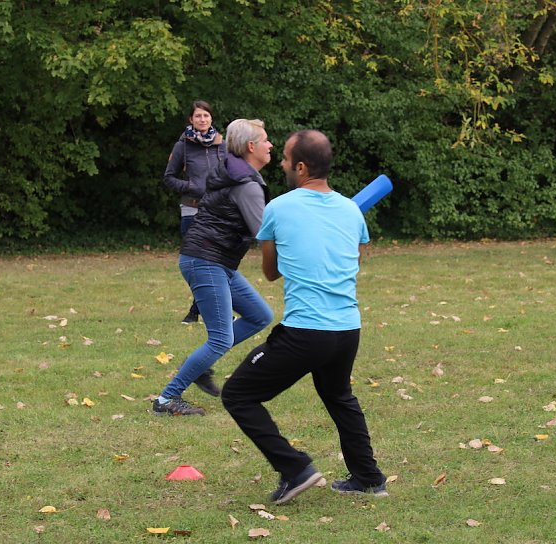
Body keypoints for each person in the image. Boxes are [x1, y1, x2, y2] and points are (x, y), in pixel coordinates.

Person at [221, 130, 388, 504]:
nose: (280, 163)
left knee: (238, 394)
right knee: (338, 395)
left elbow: (270, 272)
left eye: (283, 158)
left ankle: (295, 469)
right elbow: (354, 260)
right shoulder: (351, 210)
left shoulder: (279, 208)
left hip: (305, 332)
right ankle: (369, 478)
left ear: (300, 166)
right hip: (347, 329)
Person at [153, 119, 275, 416]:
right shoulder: (246, 185)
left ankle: (198, 365)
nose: (270, 145)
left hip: (215, 261)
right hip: (206, 260)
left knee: (260, 315)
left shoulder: (238, 176)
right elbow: (265, 232)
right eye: (265, 140)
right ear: (250, 146)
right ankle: (166, 399)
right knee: (221, 338)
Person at [164, 100, 227, 325]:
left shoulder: (222, 144)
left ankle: (201, 309)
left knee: (218, 262)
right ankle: (206, 308)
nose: (202, 119)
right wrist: (191, 187)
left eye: (206, 116)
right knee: (196, 263)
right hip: (192, 209)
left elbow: (230, 175)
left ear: (211, 118)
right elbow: (169, 177)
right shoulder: (183, 145)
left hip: (218, 211)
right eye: (198, 116)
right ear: (191, 119)